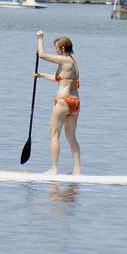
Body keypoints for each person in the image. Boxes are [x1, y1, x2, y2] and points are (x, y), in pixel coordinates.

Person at [33, 31, 81, 175]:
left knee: (54, 135)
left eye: (56, 48)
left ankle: (54, 169)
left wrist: (40, 39)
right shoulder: (73, 62)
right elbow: (60, 79)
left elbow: (42, 55)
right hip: (75, 102)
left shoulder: (64, 60)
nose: (55, 51)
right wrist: (41, 75)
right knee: (71, 137)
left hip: (62, 102)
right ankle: (77, 170)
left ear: (62, 49)